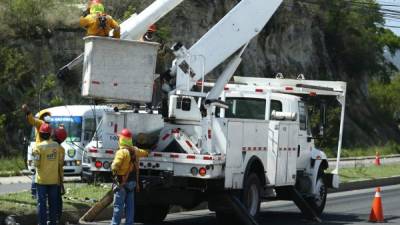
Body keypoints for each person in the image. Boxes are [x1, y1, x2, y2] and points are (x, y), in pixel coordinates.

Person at [111, 128, 149, 225]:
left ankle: (115, 223)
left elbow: (115, 166)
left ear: (122, 139)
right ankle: (129, 223)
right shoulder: (135, 151)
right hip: (132, 183)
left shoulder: (121, 152)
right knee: (130, 206)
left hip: (121, 182)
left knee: (118, 206)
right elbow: (145, 153)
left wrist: (114, 170)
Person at [32, 123, 64, 225]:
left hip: (41, 180)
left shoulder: (39, 147)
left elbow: (36, 163)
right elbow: (60, 162)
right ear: (50, 134)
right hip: (53, 180)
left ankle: (42, 223)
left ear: (41, 134)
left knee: (42, 204)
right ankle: (53, 222)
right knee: (53, 203)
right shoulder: (57, 146)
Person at [21, 104, 52, 199]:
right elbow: (32, 120)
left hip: (45, 150)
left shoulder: (47, 125)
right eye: (46, 115)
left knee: (43, 170)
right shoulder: (40, 123)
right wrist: (28, 112)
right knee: (37, 171)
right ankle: (34, 191)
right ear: (42, 117)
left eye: (48, 115)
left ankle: (41, 191)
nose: (48, 117)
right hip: (39, 150)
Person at [53, 125, 68, 222]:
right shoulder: (61, 149)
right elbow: (60, 163)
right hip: (57, 179)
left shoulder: (46, 145)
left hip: (46, 179)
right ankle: (57, 218)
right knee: (58, 200)